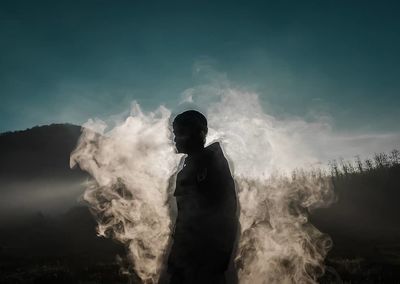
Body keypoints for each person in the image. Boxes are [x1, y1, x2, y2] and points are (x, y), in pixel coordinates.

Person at [167, 110, 238, 284]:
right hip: (187, 258)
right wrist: (176, 254)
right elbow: (184, 218)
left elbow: (227, 213)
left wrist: (220, 258)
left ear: (198, 133)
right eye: (175, 134)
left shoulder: (212, 164)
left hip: (205, 261)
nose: (175, 139)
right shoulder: (188, 168)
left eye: (180, 133)